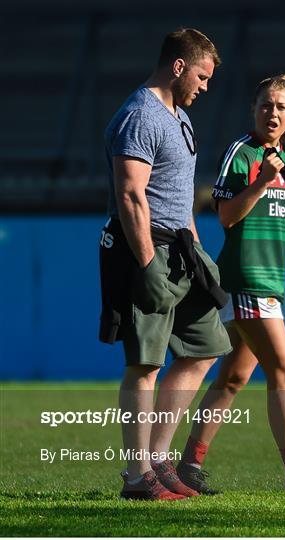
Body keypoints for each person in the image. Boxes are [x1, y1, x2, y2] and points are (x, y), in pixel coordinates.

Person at [176, 73, 285, 493]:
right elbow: (227, 217)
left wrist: (275, 176)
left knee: (232, 377)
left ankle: (188, 465)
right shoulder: (243, 153)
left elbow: (279, 222)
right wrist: (262, 180)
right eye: (266, 104)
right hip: (246, 281)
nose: (273, 112)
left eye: (281, 106)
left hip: (265, 282)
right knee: (284, 368)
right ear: (254, 108)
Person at [99, 28, 232, 501]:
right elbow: (131, 194)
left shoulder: (180, 117)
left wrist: (197, 251)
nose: (205, 85)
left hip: (182, 253)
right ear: (179, 66)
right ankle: (137, 480)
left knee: (203, 349)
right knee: (145, 364)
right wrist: (147, 261)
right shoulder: (139, 114)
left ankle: (158, 461)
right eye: (202, 75)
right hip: (146, 251)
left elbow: (177, 196)